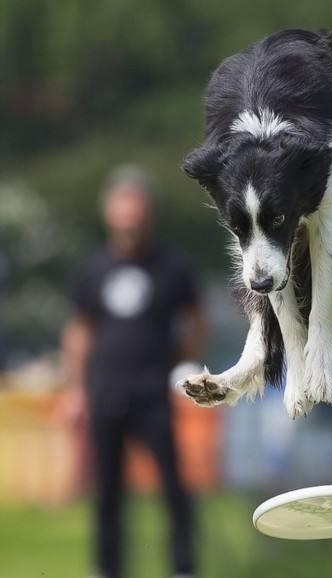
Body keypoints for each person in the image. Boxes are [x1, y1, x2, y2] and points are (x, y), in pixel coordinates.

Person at [60, 165, 206, 578]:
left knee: (174, 487)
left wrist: (178, 365)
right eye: (123, 203)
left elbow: (197, 322)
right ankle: (106, 568)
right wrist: (75, 389)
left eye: (137, 204)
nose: (131, 213)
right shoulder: (92, 269)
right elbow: (78, 331)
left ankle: (183, 567)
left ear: (148, 212)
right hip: (104, 392)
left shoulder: (171, 267)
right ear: (109, 211)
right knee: (106, 492)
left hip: (153, 394)